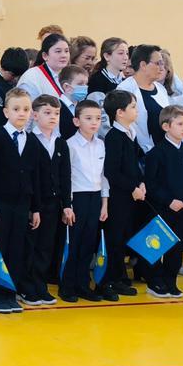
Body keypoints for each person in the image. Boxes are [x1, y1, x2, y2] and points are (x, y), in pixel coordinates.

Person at [0, 87, 43, 314]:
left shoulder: (32, 141)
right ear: (6, 111)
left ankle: (10, 293)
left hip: (22, 204)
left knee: (17, 249)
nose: (22, 113)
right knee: (0, 249)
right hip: (1, 204)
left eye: (26, 109)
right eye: (16, 109)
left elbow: (35, 177)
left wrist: (35, 208)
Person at [60, 98, 112, 303]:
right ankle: (67, 285)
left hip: (95, 197)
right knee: (73, 243)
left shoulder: (101, 145)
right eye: (88, 118)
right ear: (76, 121)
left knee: (89, 244)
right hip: (77, 198)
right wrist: (68, 205)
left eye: (98, 118)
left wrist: (104, 203)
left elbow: (103, 176)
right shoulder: (69, 145)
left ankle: (83, 284)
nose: (94, 122)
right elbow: (66, 177)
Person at [144, 105, 183, 298]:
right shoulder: (156, 153)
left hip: (182, 210)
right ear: (166, 126)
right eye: (179, 124)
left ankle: (170, 281)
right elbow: (151, 184)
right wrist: (168, 201)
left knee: (176, 247)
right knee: (156, 246)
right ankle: (154, 282)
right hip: (160, 209)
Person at [102, 90, 145, 297]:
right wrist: (132, 188)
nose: (136, 111)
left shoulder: (131, 133)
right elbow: (112, 171)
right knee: (115, 239)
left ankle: (121, 275)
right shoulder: (114, 137)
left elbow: (135, 164)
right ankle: (112, 279)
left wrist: (141, 183)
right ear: (120, 112)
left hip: (132, 196)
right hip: (119, 197)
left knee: (125, 236)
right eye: (133, 107)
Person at [28, 95, 68, 295]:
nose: (53, 117)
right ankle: (28, 285)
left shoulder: (60, 143)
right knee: (31, 245)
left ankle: (41, 285)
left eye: (56, 113)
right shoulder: (29, 141)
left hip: (53, 204)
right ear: (35, 115)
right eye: (47, 112)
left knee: (46, 245)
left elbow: (65, 176)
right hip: (34, 203)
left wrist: (66, 204)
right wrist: (33, 206)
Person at [117, 44, 170, 153]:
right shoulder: (125, 90)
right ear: (143, 65)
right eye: (158, 63)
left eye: (162, 64)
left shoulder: (161, 89)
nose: (162, 68)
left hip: (162, 152)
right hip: (137, 152)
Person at [17, 32, 70, 101]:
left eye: (66, 51)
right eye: (58, 51)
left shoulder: (70, 75)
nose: (64, 55)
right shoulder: (32, 77)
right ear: (45, 56)